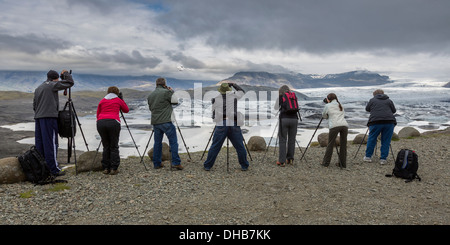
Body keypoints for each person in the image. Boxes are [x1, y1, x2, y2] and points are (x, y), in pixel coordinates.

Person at [33, 69, 74, 177]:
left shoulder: (39, 88)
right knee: (51, 143)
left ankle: (42, 169)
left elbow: (34, 106)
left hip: (38, 118)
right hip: (49, 118)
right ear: (55, 79)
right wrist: (66, 74)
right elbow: (70, 83)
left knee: (40, 144)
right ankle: (53, 169)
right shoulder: (52, 85)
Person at [203, 82, 249, 171]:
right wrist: (234, 84)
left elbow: (213, 116)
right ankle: (244, 165)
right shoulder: (234, 96)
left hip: (221, 123)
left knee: (215, 146)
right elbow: (242, 91)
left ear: (220, 90)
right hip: (233, 122)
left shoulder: (215, 99)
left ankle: (208, 165)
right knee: (239, 146)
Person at [147, 77, 183, 170]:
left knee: (157, 143)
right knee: (173, 142)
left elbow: (151, 108)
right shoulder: (167, 92)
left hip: (156, 122)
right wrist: (171, 91)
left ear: (156, 84)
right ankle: (175, 162)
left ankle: (157, 163)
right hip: (166, 121)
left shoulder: (150, 95)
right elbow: (175, 102)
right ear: (164, 84)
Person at [96, 86, 129, 175]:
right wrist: (122, 100)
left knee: (106, 145)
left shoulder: (102, 100)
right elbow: (126, 110)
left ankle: (106, 168)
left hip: (101, 123)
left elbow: (98, 113)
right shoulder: (118, 100)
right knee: (114, 146)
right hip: (113, 122)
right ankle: (114, 168)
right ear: (117, 93)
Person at [364, 89, 397, 165]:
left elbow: (367, 109)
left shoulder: (372, 100)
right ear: (383, 94)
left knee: (372, 138)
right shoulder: (389, 100)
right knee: (386, 140)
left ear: (374, 95)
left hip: (375, 122)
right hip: (389, 122)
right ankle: (383, 159)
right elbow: (394, 111)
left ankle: (368, 157)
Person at [274, 85, 299, 167]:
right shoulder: (293, 96)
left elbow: (275, 108)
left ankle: (282, 161)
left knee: (282, 140)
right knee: (292, 140)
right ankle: (290, 159)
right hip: (294, 120)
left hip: (284, 119)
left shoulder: (281, 97)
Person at [321, 93, 349, 168]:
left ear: (328, 99)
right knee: (343, 145)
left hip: (334, 126)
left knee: (330, 144)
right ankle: (342, 164)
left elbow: (324, 115)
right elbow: (343, 114)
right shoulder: (340, 105)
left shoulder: (327, 106)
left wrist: (328, 116)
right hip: (344, 125)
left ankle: (326, 163)